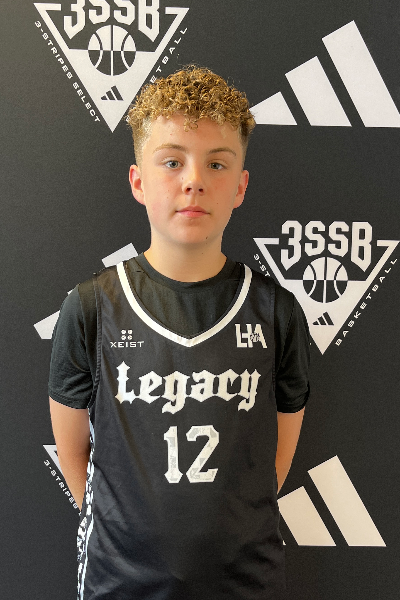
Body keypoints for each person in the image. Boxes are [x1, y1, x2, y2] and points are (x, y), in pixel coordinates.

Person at [49, 65, 310, 600]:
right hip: (120, 581)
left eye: (216, 163)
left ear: (240, 186)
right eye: (172, 161)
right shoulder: (92, 307)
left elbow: (275, 459)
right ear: (138, 182)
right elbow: (73, 453)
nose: (194, 180)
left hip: (246, 579)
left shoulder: (275, 311)